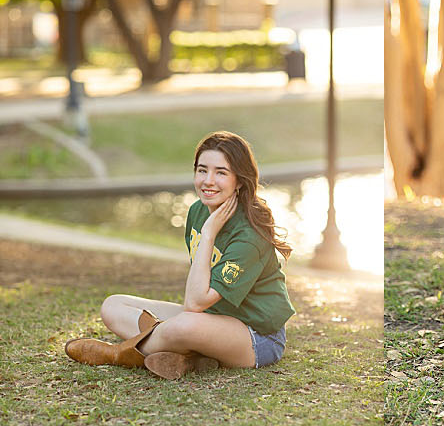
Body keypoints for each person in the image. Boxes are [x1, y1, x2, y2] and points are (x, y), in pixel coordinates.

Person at [65, 132, 295, 379]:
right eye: (202, 170)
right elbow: (198, 303)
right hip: (209, 318)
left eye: (221, 172)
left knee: (184, 325)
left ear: (239, 180)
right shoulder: (198, 210)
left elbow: (194, 303)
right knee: (113, 306)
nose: (208, 181)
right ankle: (190, 357)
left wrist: (208, 234)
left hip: (256, 337)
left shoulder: (249, 235)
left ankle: (118, 354)